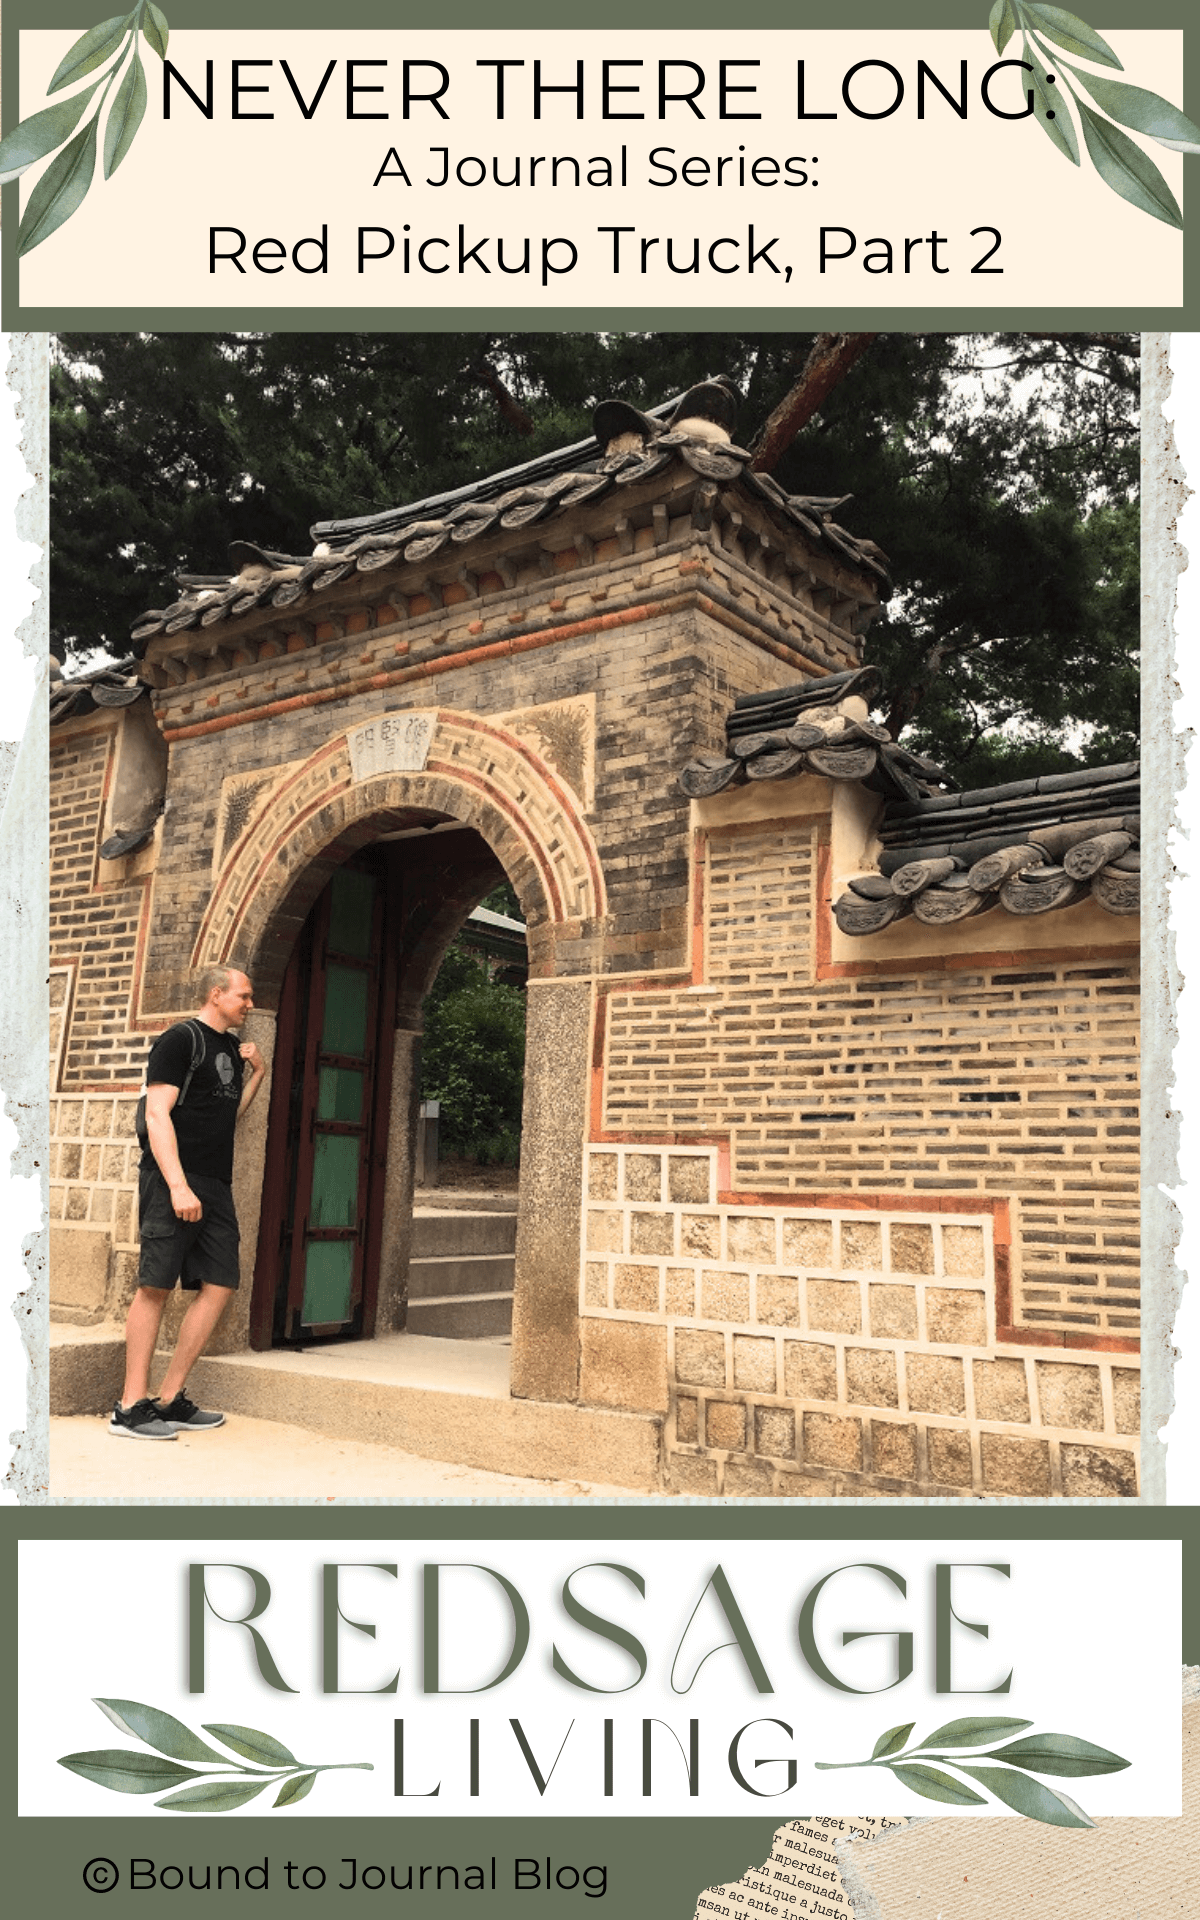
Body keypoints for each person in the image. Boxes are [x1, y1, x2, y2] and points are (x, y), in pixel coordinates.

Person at [110, 965, 265, 1439]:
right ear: (216, 995)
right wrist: (178, 1185)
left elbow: (227, 1115)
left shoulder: (230, 1051)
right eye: (243, 995)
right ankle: (130, 1407)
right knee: (155, 1285)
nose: (249, 1003)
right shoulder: (179, 1040)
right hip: (172, 1178)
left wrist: (260, 1071)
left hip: (215, 1183)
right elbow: (158, 1115)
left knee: (219, 1283)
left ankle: (169, 1398)